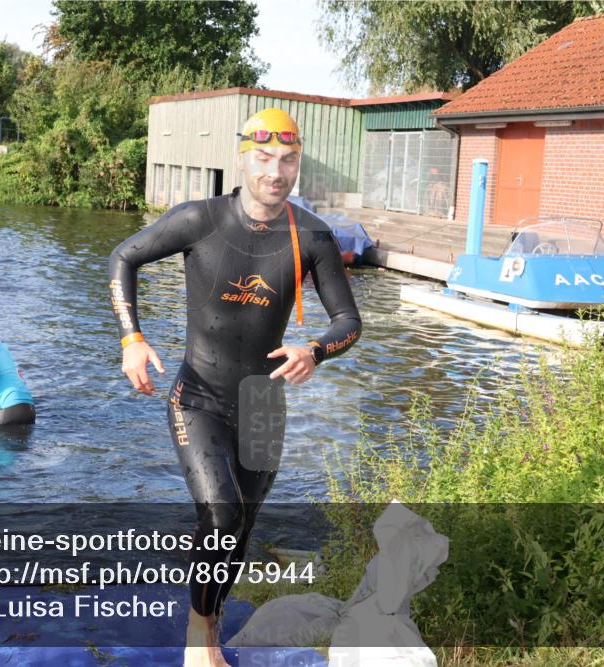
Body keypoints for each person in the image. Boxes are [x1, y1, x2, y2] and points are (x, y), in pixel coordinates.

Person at [108, 107, 362, 666]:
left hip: (264, 404)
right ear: (244, 158)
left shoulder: (312, 236)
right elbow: (123, 257)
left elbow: (349, 322)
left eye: (288, 160)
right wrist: (132, 337)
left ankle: (214, 617)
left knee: (241, 526)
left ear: (299, 164)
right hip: (198, 394)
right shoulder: (200, 219)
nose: (277, 171)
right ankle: (199, 641)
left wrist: (314, 349)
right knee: (221, 515)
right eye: (266, 158)